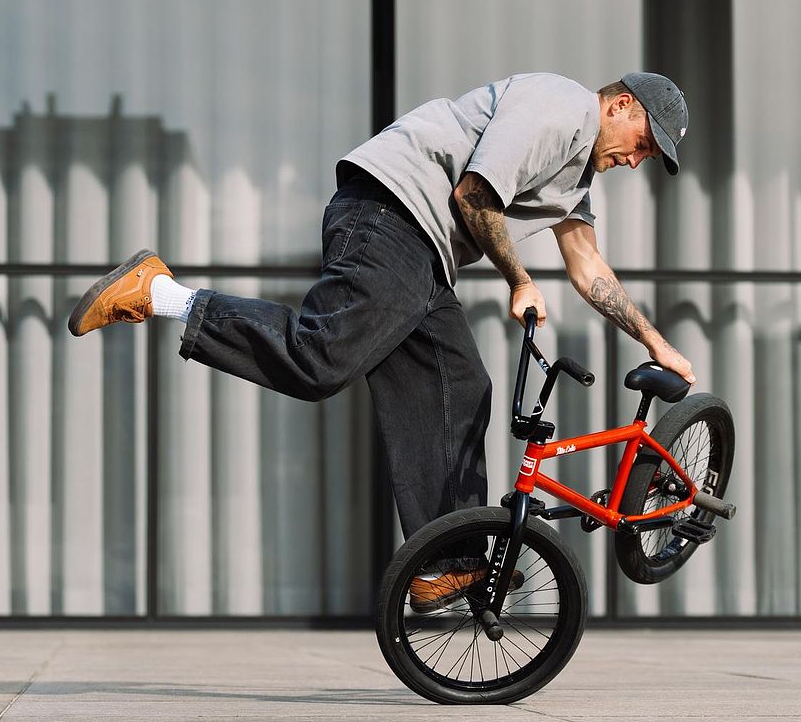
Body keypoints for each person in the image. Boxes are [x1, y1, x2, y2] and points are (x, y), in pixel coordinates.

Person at [67, 71, 695, 601]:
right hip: (390, 216)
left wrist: (655, 342)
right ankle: (158, 292)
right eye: (643, 143)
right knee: (320, 359)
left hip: (425, 255)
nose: (636, 160)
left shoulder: (575, 178)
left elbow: (589, 268)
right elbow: (475, 193)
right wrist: (520, 280)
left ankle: (448, 563)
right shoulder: (560, 108)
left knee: (461, 387)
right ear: (620, 105)